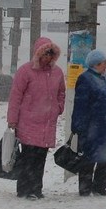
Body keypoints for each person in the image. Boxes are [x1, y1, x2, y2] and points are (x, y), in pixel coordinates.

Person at [7, 37, 66, 200]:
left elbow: (61, 92)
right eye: (45, 53)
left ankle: (36, 189)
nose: (48, 57)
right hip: (28, 122)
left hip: (47, 124)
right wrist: (12, 119)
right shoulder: (25, 71)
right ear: (38, 54)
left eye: (51, 54)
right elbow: (16, 96)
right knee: (28, 158)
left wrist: (58, 108)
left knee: (40, 158)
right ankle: (24, 189)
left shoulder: (58, 73)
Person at [71, 49, 106, 197]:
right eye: (104, 63)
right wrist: (78, 125)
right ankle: (85, 188)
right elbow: (80, 104)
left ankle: (100, 187)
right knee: (88, 158)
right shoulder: (85, 79)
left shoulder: (104, 78)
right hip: (91, 126)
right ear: (96, 64)